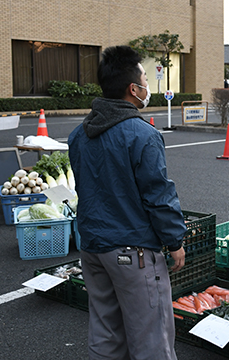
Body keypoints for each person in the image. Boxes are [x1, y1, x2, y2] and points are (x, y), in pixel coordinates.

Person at [68, 45, 187, 360]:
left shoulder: (79, 135)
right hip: (132, 250)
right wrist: (174, 240)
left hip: (92, 245)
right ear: (134, 89)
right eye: (146, 78)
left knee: (105, 332)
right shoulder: (141, 134)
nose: (149, 85)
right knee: (151, 336)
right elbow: (158, 195)